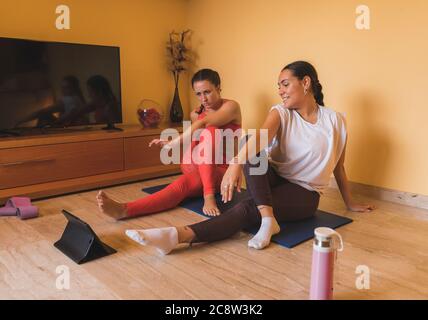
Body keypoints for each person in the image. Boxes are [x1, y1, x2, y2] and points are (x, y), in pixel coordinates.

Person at [124, 61, 376, 255]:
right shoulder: (280, 113)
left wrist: (350, 202)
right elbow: (259, 139)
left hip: (305, 192)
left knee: (245, 208)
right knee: (249, 143)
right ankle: (269, 220)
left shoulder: (336, 121)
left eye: (285, 84)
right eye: (278, 86)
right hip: (272, 178)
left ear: (306, 82)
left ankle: (176, 236)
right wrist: (236, 162)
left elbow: (339, 168)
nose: (280, 91)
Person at [97, 68, 242, 218]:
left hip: (223, 172)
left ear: (218, 88)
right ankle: (208, 195)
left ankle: (124, 209)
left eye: (207, 92)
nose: (203, 99)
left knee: (182, 183)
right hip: (197, 165)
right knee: (206, 134)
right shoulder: (196, 113)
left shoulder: (231, 107)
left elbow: (206, 123)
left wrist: (173, 142)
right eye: (198, 94)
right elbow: (196, 143)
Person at [15, 75, 87, 128]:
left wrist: (20, 121)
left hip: (69, 131)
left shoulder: (69, 100)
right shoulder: (79, 99)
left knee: (44, 115)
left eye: (66, 88)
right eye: (62, 87)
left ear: (73, 88)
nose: (63, 90)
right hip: (73, 129)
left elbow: (40, 112)